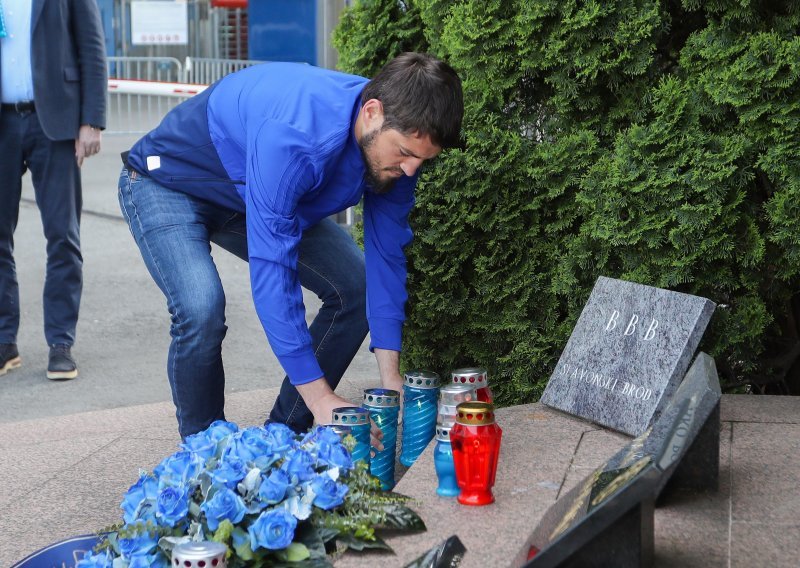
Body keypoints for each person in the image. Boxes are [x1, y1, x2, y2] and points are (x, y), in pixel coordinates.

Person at [118, 52, 463, 439]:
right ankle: (205, 451)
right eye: (404, 153)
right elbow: (273, 270)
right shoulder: (296, 138)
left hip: (249, 193)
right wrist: (322, 398)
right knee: (202, 308)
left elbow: (386, 255)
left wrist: (390, 378)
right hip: (166, 182)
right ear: (372, 112)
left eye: (422, 159)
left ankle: (284, 434)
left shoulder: (397, 151)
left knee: (356, 285)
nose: (411, 170)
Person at [0, 0, 106, 380]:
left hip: (55, 123)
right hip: (3, 124)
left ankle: (60, 342)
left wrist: (92, 120)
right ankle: (4, 342)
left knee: (62, 235)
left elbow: (92, 46)